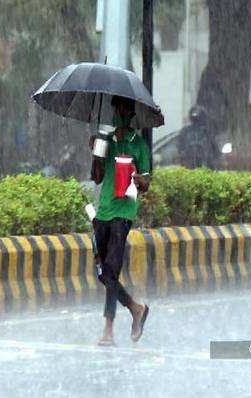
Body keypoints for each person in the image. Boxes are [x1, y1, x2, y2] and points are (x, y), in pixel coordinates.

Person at [89, 95, 151, 346]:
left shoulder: (139, 145)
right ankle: (136, 308)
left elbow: (146, 182)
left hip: (123, 212)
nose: (120, 114)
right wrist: (96, 152)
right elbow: (96, 177)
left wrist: (137, 178)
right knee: (104, 273)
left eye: (125, 110)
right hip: (103, 211)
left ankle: (108, 329)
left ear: (131, 114)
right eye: (117, 109)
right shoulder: (107, 141)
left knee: (112, 268)